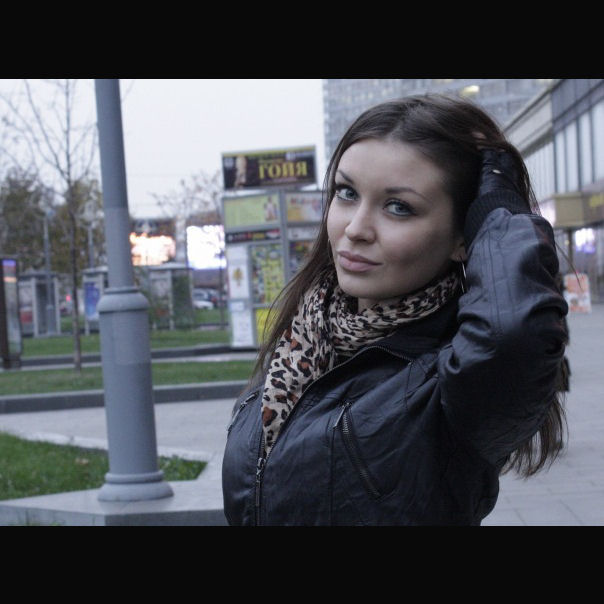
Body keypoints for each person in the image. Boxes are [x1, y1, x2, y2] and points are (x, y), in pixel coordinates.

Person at [221, 94, 569, 526]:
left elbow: (513, 333)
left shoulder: (455, 379)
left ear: (464, 237)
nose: (355, 229)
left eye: (398, 207)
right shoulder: (305, 337)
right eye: (347, 193)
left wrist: (499, 204)